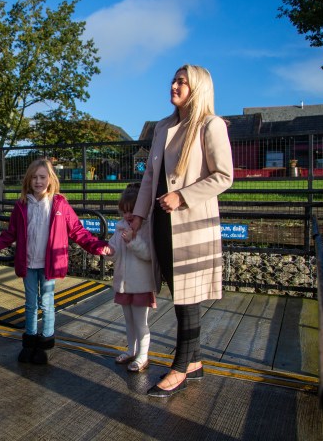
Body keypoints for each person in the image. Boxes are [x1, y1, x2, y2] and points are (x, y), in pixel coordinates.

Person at [130, 64, 233, 397]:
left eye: (181, 81)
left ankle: (180, 367)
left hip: (191, 225)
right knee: (179, 293)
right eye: (173, 79)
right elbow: (149, 178)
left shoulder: (210, 125)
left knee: (188, 299)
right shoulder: (162, 127)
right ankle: (196, 361)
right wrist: (137, 216)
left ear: (198, 87)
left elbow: (224, 176)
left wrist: (183, 196)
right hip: (161, 222)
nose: (173, 85)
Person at [0, 158, 113, 364]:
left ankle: (45, 343)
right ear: (28, 180)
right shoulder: (22, 206)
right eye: (34, 177)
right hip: (28, 263)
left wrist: (96, 246)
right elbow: (9, 234)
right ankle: (29, 342)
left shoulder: (60, 204)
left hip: (49, 264)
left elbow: (77, 231)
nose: (38, 181)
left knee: (47, 303)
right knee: (30, 304)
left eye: (42, 177)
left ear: (50, 179)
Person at [106, 182, 156, 373]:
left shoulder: (146, 228)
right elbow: (115, 251)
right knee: (128, 320)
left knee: (140, 322)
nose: (127, 216)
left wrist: (132, 241)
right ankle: (131, 350)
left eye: (132, 211)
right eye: (124, 211)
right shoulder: (120, 228)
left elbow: (149, 255)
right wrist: (109, 251)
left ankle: (143, 355)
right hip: (124, 283)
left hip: (141, 284)